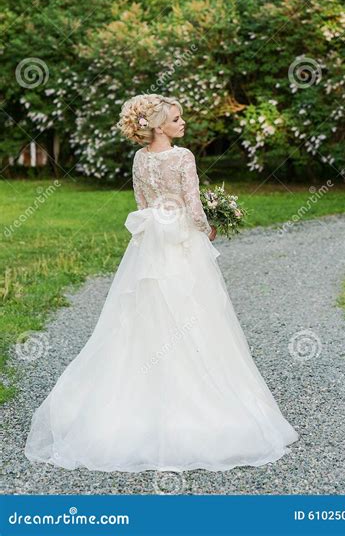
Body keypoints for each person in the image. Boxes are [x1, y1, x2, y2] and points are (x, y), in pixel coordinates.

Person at [24, 93, 299, 472]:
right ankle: (205, 408)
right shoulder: (183, 157)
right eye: (176, 118)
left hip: (148, 248)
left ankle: (128, 405)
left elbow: (142, 205)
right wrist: (208, 228)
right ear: (157, 124)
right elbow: (193, 206)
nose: (182, 122)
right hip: (182, 246)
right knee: (197, 315)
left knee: (140, 319)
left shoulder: (139, 158)